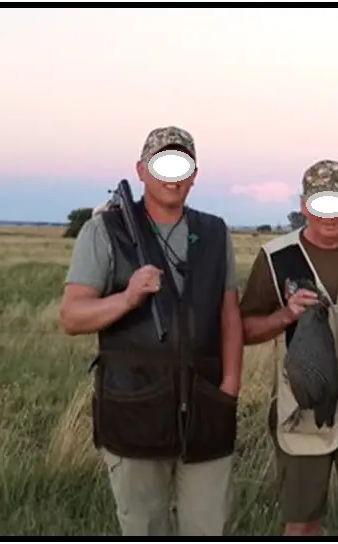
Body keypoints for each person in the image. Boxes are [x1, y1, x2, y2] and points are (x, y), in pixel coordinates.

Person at [59, 126, 243, 536]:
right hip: (134, 407)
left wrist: (230, 386)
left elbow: (229, 313)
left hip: (206, 408)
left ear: (194, 175)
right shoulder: (104, 230)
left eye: (182, 166)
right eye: (162, 165)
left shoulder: (216, 232)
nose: (172, 177)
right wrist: (127, 299)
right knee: (144, 527)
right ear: (141, 170)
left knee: (210, 526)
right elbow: (71, 316)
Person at [238, 159, 338, 536]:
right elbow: (245, 329)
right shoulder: (276, 257)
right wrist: (287, 315)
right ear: (303, 204)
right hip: (302, 412)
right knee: (301, 524)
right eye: (319, 203)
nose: (329, 215)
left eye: (337, 203)